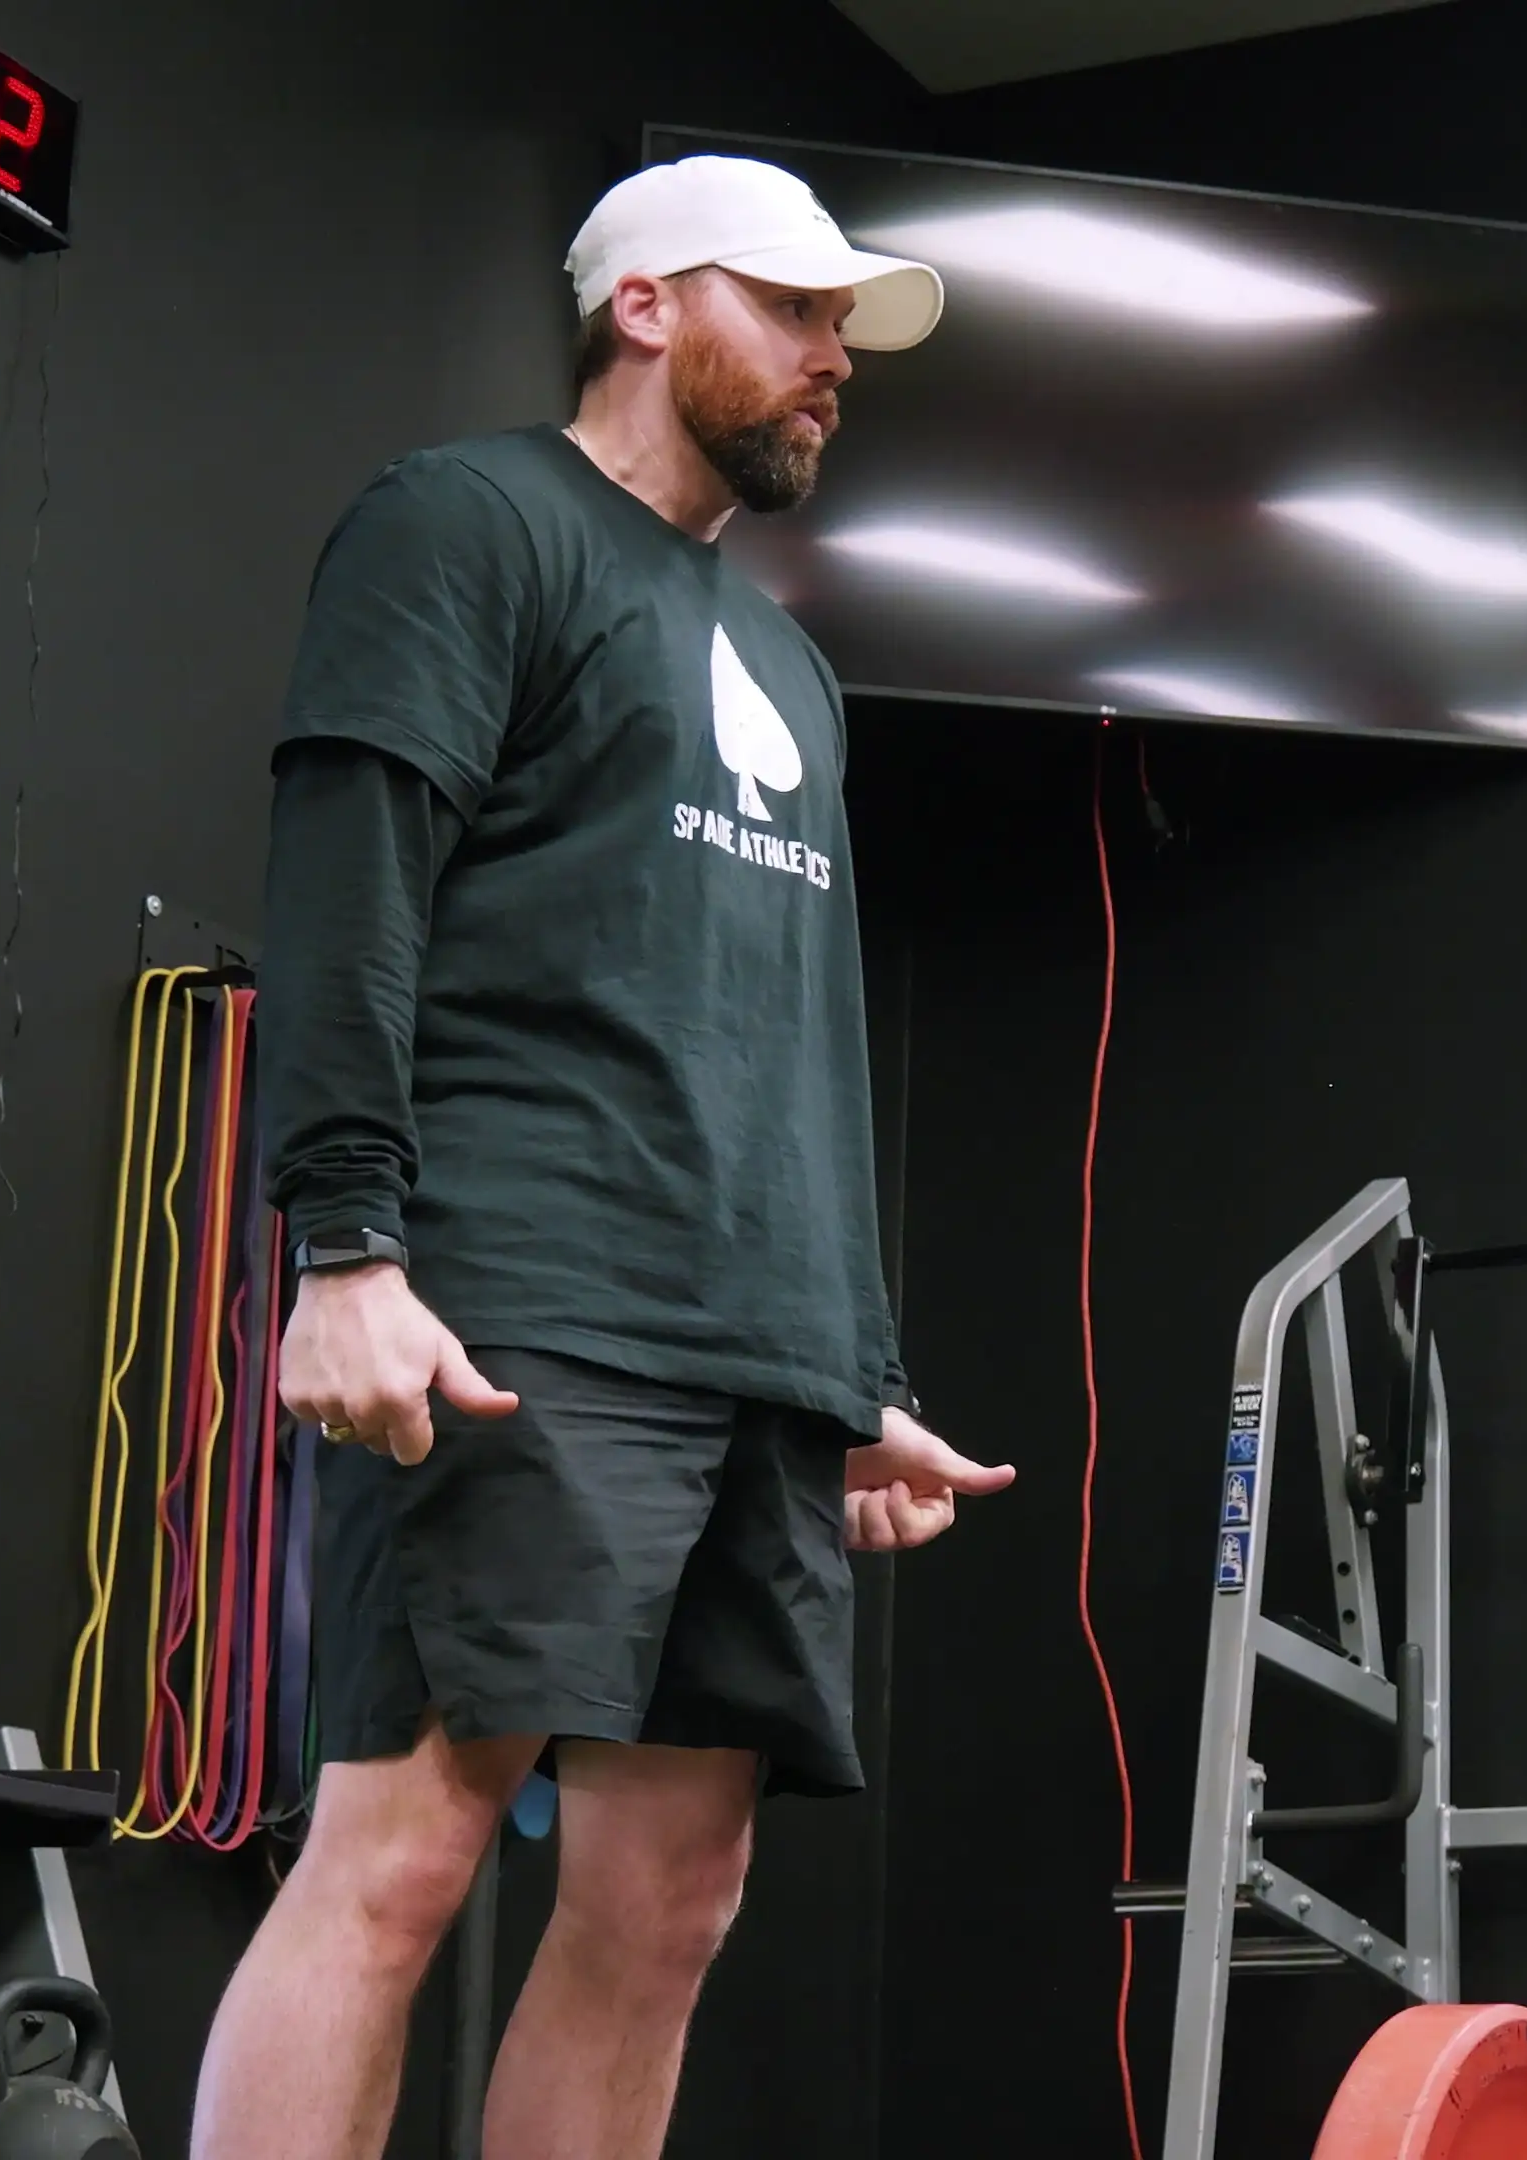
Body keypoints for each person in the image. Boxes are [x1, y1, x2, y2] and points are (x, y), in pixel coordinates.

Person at [192, 156, 1014, 2160]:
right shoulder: (463, 523)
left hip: (751, 1358)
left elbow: (789, 1028)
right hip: (520, 1304)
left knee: (671, 1903)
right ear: (646, 305)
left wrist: (852, 1374)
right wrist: (346, 1248)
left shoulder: (792, 667)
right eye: (795, 310)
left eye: (844, 327)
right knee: (402, 1854)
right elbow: (350, 890)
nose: (834, 360)